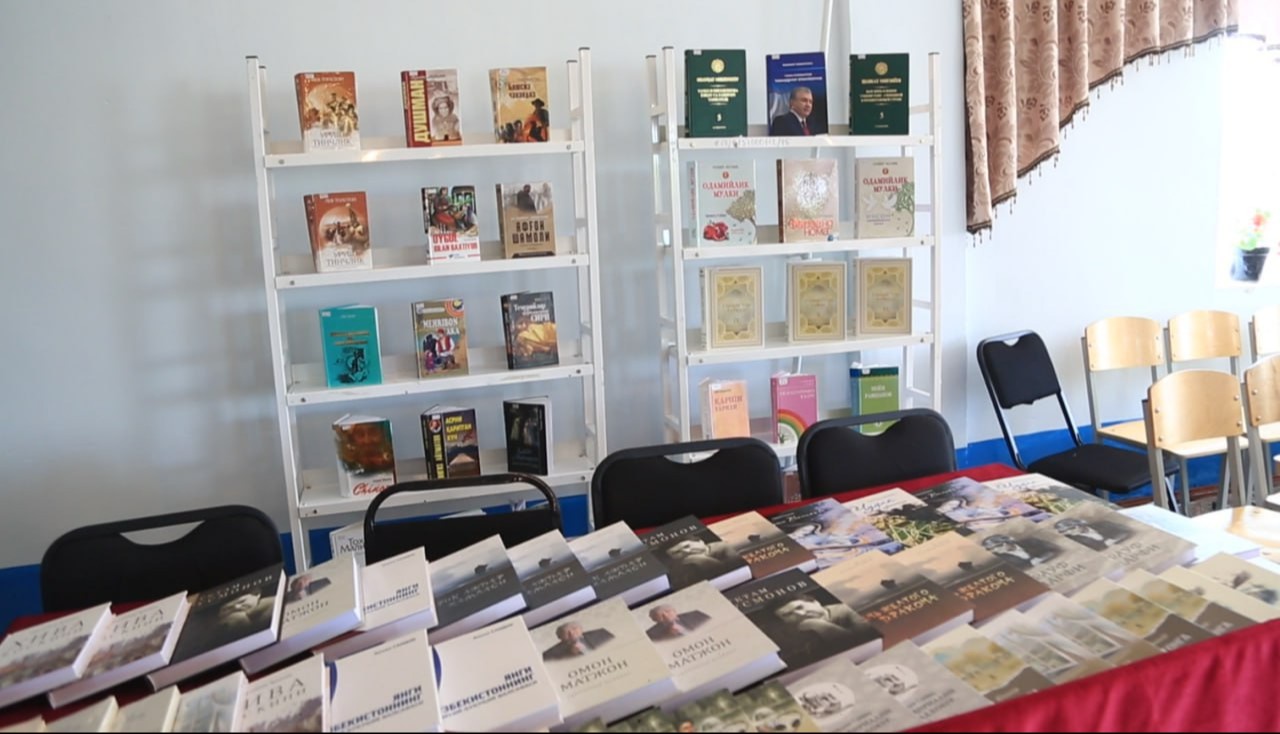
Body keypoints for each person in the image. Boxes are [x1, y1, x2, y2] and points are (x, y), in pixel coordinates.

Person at [773, 595, 860, 642]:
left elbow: (858, 641)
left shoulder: (849, 609)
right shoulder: (792, 634)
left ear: (815, 602)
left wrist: (818, 625)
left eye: (799, 607)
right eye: (788, 614)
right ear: (784, 621)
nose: (801, 614)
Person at [541, 621, 614, 660]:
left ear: (581, 629)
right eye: (566, 632)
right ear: (560, 637)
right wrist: (571, 654)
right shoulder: (549, 654)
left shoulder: (601, 633)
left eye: (574, 628)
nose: (571, 633)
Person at [980, 534, 1058, 569]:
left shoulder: (1031, 541)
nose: (995, 551)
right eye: (991, 550)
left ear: (1006, 542)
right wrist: (1031, 564)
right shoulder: (1001, 559)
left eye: (997, 547)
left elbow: (1053, 549)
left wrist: (1041, 558)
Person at [1053, 517, 1130, 551]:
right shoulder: (1075, 541)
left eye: (1071, 529)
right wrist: (1105, 545)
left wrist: (1114, 539)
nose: (1069, 533)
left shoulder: (1103, 524)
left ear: (1078, 525)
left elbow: (1125, 529)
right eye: (1063, 532)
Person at [646, 604, 710, 641]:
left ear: (674, 611)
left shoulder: (696, 615)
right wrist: (669, 635)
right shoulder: (651, 633)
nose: (666, 616)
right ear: (655, 620)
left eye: (667, 611)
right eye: (660, 615)